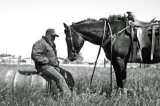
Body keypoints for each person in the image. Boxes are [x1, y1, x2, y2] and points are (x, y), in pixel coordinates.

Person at [31, 28, 71, 97]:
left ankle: (62, 94)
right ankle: (67, 98)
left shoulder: (52, 45)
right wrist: (47, 61)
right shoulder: (39, 43)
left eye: (54, 36)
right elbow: (35, 55)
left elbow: (54, 56)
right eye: (52, 36)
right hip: (43, 67)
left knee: (66, 74)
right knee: (59, 78)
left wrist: (56, 63)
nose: (54, 38)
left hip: (52, 67)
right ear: (47, 35)